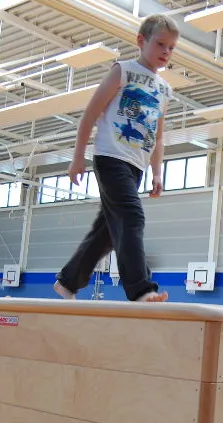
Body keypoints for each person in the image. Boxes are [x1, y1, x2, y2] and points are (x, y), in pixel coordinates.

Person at [53, 13, 179, 304]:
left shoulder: (164, 89)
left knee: (109, 232)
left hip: (137, 166)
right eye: (160, 44)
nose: (166, 52)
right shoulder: (123, 71)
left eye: (171, 48)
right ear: (141, 41)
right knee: (132, 216)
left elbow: (158, 137)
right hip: (110, 157)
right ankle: (141, 289)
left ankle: (68, 282)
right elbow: (90, 113)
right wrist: (77, 157)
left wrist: (157, 173)